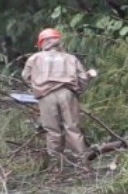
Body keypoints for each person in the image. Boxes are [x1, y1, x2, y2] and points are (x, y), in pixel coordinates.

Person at [22, 28, 93, 169]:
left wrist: (37, 86)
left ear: (41, 42)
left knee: (52, 130)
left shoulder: (34, 58)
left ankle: (56, 166)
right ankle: (84, 163)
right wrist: (76, 91)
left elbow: (26, 77)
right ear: (58, 41)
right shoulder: (71, 58)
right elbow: (83, 78)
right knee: (73, 128)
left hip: (46, 95)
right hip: (67, 93)